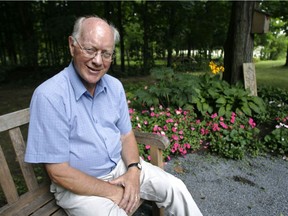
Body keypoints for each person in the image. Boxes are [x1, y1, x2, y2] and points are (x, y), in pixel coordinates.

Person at [24, 15, 203, 216]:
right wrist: (114, 193)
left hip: (120, 168)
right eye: (90, 50)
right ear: (72, 45)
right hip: (78, 187)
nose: (98, 61)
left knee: (175, 188)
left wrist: (134, 170)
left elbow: (126, 135)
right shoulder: (49, 96)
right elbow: (59, 172)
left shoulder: (114, 86)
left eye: (106, 53)